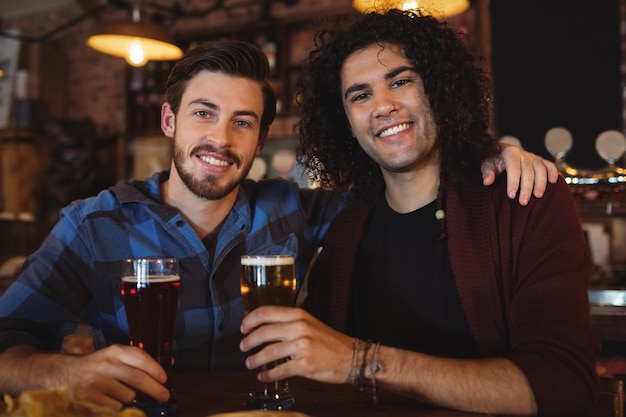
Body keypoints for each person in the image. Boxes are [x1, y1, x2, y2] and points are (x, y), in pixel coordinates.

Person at [0, 40, 555, 410]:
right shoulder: (94, 224)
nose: (221, 138)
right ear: (169, 120)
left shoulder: (291, 207)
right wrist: (59, 373)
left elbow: (402, 182)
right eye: (203, 113)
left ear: (261, 139)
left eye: (242, 122)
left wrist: (494, 150)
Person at [239, 9, 597, 417]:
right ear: (346, 123)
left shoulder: (524, 201)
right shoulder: (345, 229)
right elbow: (320, 365)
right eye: (360, 95)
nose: (383, 106)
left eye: (401, 81)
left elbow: (566, 386)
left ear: (438, 89)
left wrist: (362, 362)